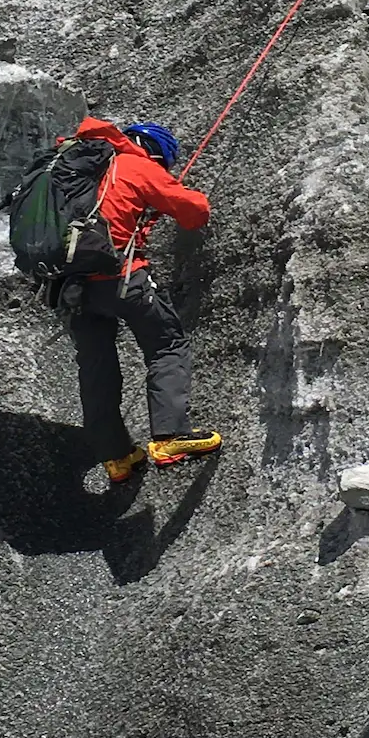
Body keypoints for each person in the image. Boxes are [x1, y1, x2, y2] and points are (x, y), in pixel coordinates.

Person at [61, 115, 221, 483]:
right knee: (167, 345)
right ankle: (171, 436)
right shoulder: (134, 164)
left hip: (71, 285)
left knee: (96, 368)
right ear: (155, 154)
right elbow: (195, 213)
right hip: (120, 276)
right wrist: (168, 188)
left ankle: (116, 458)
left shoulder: (76, 168)